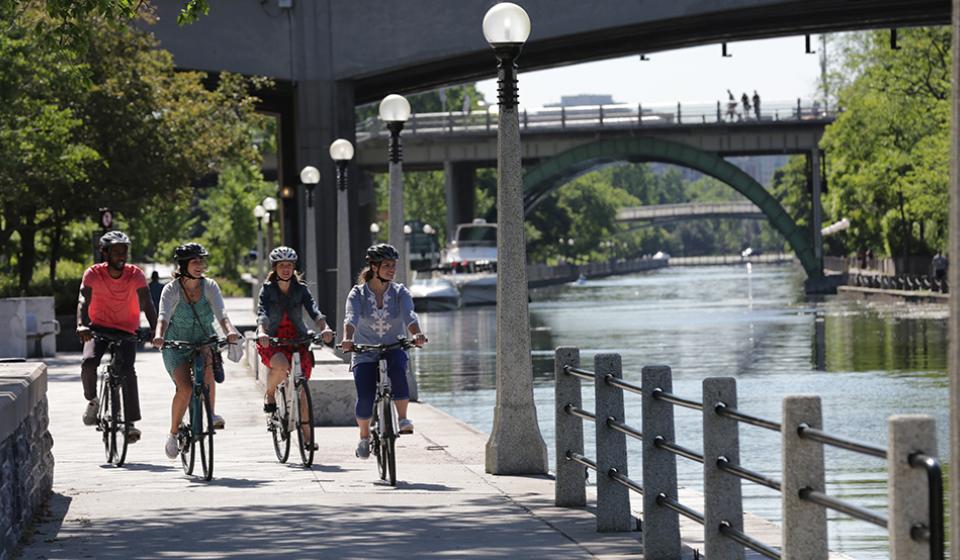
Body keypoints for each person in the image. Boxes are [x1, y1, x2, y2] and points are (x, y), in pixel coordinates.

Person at [153, 243, 241, 459]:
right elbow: (163, 316)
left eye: (202, 261)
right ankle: (173, 434)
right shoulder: (171, 289)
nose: (200, 265)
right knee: (185, 388)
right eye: (195, 262)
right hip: (176, 344)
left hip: (202, 339)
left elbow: (222, 314)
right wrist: (159, 335)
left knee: (208, 361)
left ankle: (210, 414)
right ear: (183, 265)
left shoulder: (210, 286)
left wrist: (230, 332)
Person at [340, 243, 427, 460]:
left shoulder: (400, 292)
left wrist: (416, 334)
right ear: (374, 267)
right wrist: (348, 339)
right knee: (366, 396)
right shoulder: (358, 293)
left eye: (393, 265)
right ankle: (364, 436)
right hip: (364, 350)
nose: (391, 269)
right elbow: (351, 318)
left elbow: (410, 316)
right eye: (387, 265)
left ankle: (403, 419)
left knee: (398, 369)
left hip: (393, 346)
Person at [77, 230, 158, 443]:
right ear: (105, 253)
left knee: (127, 371)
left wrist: (155, 330)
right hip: (97, 328)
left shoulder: (135, 274)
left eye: (124, 251)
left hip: (126, 330)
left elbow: (147, 302)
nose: (121, 256)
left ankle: (129, 423)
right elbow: (83, 301)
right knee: (88, 362)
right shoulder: (93, 273)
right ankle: (93, 401)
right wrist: (81, 325)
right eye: (116, 251)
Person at [255, 246, 333, 449]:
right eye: (282, 265)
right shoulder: (268, 289)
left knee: (302, 389)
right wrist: (262, 332)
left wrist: (325, 328)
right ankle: (271, 394)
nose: (286, 269)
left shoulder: (301, 289)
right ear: (275, 268)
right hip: (273, 338)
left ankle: (307, 439)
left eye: (289, 265)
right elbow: (262, 312)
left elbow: (314, 310)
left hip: (298, 339)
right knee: (280, 366)